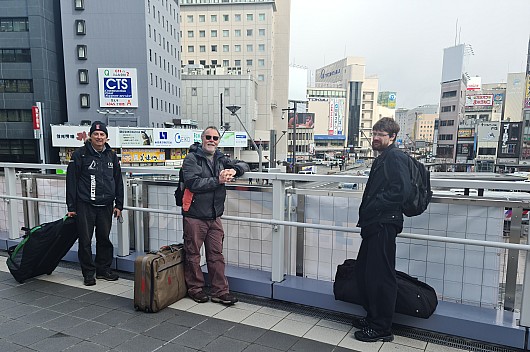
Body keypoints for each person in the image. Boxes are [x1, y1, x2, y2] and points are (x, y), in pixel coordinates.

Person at [353, 117, 411, 342]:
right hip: (375, 223)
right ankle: (373, 317)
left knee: (381, 276)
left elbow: (401, 191)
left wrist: (375, 204)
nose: (375, 138)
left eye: (381, 134)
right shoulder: (385, 157)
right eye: (374, 133)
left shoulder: (394, 157)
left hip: (384, 223)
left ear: (393, 137)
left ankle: (381, 328)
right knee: (365, 273)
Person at [181, 126, 249, 305]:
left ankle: (220, 291)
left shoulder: (220, 158)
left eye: (215, 138)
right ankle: (195, 289)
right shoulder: (192, 158)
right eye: (208, 137)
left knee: (216, 254)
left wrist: (234, 171)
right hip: (195, 215)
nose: (212, 140)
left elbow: (244, 164)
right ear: (202, 138)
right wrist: (217, 180)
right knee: (193, 254)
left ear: (219, 141)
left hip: (215, 216)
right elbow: (192, 183)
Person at [66, 121, 123, 286]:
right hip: (85, 205)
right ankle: (88, 273)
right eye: (96, 134)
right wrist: (71, 207)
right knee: (85, 241)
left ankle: (103, 270)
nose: (99, 137)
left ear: (106, 137)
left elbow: (118, 181)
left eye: (102, 134)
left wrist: (119, 204)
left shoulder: (111, 155)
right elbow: (71, 182)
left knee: (104, 238)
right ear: (90, 136)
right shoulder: (80, 155)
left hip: (106, 204)